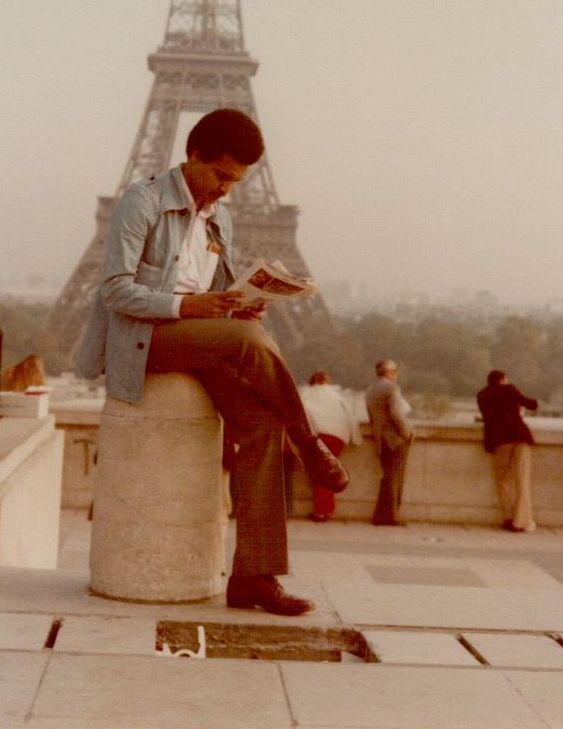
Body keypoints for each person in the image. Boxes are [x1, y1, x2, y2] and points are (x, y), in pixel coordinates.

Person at [77, 108, 349, 616]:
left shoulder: (220, 218)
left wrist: (239, 302)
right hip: (146, 338)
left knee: (263, 424)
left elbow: (214, 292)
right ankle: (308, 443)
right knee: (248, 340)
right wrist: (186, 307)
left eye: (236, 181)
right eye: (221, 175)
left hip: (200, 336)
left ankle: (254, 579)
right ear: (193, 154)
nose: (227, 190)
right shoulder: (143, 203)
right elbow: (114, 290)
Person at [476, 369, 538, 533]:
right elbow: (532, 404)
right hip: (520, 437)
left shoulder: (482, 395)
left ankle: (508, 517)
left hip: (500, 440)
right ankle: (521, 521)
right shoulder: (509, 389)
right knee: (522, 479)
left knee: (501, 480)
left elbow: (488, 419)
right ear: (503, 379)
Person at [300, 372, 363, 522]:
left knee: (320, 474)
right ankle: (328, 509)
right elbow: (350, 416)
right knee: (331, 471)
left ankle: (321, 512)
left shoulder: (307, 392)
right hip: (338, 436)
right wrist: (356, 438)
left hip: (319, 434)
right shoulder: (336, 394)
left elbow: (299, 413)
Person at [365, 359, 413, 527]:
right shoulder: (392, 387)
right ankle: (391, 516)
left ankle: (380, 515)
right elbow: (396, 415)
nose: (396, 374)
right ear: (390, 372)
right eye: (395, 370)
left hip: (380, 439)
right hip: (394, 438)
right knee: (394, 478)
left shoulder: (371, 389)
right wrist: (407, 434)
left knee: (387, 477)